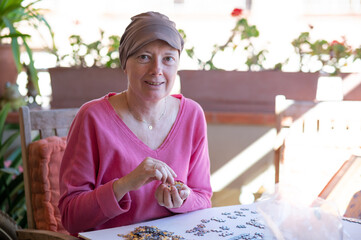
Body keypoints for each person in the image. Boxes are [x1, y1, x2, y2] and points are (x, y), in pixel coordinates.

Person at [58, 11, 212, 234]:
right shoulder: (92, 117)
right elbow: (71, 217)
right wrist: (125, 185)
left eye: (168, 58)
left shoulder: (192, 115)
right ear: (125, 63)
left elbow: (203, 199)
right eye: (144, 57)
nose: (157, 70)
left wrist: (183, 200)